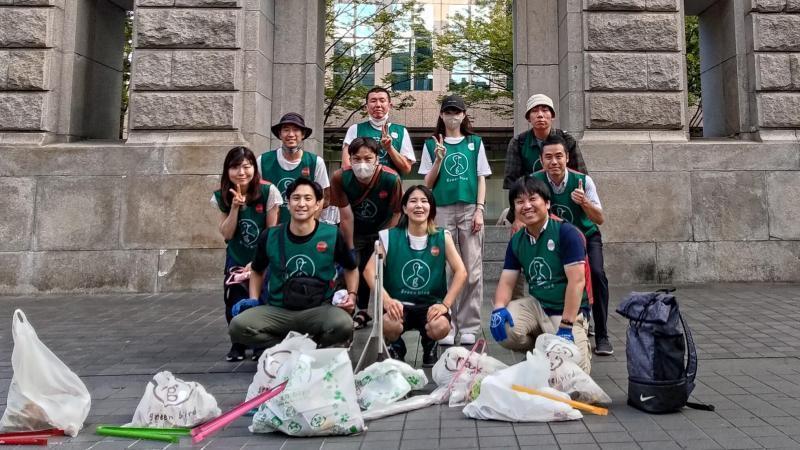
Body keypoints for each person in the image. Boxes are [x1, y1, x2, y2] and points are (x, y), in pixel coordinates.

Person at [228, 178, 358, 352]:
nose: (301, 204)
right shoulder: (271, 236)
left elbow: (351, 268)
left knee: (343, 324)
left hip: (318, 309)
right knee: (238, 326)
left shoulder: (332, 234)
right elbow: (257, 271)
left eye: (308, 198)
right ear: (288, 204)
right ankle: (285, 348)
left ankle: (315, 347)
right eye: (296, 198)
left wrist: (352, 295)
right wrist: (253, 300)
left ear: (318, 204)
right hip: (278, 310)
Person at [489, 175, 592, 373]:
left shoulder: (566, 233)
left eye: (532, 199)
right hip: (538, 306)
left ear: (547, 203)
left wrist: (566, 325)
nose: (526, 206)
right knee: (506, 329)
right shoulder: (518, 240)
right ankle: (538, 346)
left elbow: (577, 282)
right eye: (519, 202)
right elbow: (507, 281)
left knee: (576, 373)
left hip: (566, 311)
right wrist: (498, 309)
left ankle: (561, 338)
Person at [363, 185, 467, 366]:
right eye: (413, 201)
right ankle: (396, 346)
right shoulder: (388, 236)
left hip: (430, 305)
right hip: (399, 305)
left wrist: (445, 304)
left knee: (441, 326)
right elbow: (368, 271)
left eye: (424, 201)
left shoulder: (442, 236)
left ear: (431, 208)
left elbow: (461, 272)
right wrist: (386, 300)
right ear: (404, 208)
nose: (419, 206)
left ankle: (430, 344)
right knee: (388, 323)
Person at [418, 95, 491, 346]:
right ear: (441, 115)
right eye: (448, 112)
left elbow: (481, 177)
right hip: (441, 210)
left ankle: (469, 324)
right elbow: (426, 184)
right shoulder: (431, 144)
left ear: (463, 115)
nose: (452, 116)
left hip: (470, 208)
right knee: (443, 269)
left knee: (472, 268)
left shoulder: (474, 142)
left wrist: (480, 209)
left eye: (456, 112)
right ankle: (444, 322)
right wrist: (438, 158)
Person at [534, 136, 612, 356]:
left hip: (586, 237)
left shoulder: (583, 181)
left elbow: (600, 218)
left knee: (596, 275)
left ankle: (603, 334)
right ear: (541, 160)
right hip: (556, 242)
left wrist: (584, 202)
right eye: (548, 157)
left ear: (567, 157)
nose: (554, 162)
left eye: (559, 156)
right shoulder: (536, 181)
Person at [211, 146, 282, 361]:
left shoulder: (269, 192)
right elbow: (226, 233)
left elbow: (271, 232)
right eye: (235, 167)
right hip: (237, 256)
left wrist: (258, 262)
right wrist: (234, 208)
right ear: (227, 171)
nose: (241, 172)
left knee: (263, 297)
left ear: (254, 168)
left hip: (262, 257)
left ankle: (262, 342)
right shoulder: (221, 195)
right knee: (234, 298)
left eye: (246, 166)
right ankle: (238, 343)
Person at [330, 137, 403, 329]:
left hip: (384, 226)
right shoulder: (340, 177)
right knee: (353, 265)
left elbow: (396, 213)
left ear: (377, 159)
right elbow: (346, 216)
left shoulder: (391, 178)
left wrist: (385, 240)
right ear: (350, 158)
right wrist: (350, 247)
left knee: (378, 270)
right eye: (357, 158)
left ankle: (384, 311)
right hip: (355, 228)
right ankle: (350, 310)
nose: (362, 164)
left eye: (368, 158)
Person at [503, 93, 588, 227]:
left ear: (552, 116)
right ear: (528, 118)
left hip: (564, 204)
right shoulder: (518, 142)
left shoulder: (567, 140)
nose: (540, 115)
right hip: (531, 206)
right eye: (535, 111)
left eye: (545, 110)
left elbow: (580, 177)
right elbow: (513, 183)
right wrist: (517, 216)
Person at [259, 112, 330, 223]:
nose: (291, 134)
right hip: (270, 230)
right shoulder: (263, 161)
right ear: (280, 134)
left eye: (296, 130)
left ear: (303, 134)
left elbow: (322, 198)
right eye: (286, 130)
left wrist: (310, 226)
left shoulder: (316, 162)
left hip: (303, 231)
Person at [342, 87, 415, 176]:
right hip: (361, 188)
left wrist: (389, 148)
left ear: (390, 105)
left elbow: (406, 168)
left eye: (382, 100)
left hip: (391, 187)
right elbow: (346, 166)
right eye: (373, 101)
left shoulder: (401, 131)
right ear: (366, 107)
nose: (378, 105)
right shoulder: (355, 129)